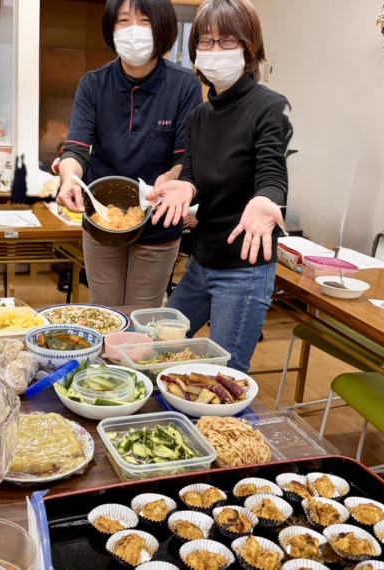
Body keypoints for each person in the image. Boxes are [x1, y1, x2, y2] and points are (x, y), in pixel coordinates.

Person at [147, 0, 293, 372]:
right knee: (154, 350)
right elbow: (193, 172)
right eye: (206, 42)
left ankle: (219, 430)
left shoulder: (269, 107)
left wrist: (265, 201)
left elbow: (272, 172)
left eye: (227, 41)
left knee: (224, 376)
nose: (214, 51)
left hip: (243, 269)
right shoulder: (200, 115)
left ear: (249, 46)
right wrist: (185, 187)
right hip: (202, 261)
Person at [56, 0, 203, 308]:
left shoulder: (183, 84)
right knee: (104, 311)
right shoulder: (94, 84)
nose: (133, 30)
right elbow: (76, 149)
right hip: (102, 223)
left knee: (141, 317)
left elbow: (186, 158)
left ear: (162, 27)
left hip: (159, 221)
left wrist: (168, 179)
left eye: (145, 21)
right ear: (111, 29)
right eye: (123, 21)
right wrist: (69, 178)